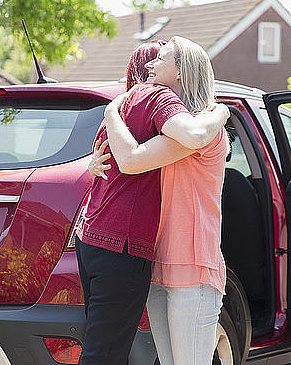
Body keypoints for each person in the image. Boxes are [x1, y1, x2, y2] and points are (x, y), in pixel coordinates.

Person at [76, 39, 229, 365]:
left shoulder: (204, 124)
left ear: (181, 69)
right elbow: (125, 158)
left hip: (192, 263)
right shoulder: (167, 122)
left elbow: (135, 158)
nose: (150, 65)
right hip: (158, 260)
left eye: (160, 58)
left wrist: (224, 110)